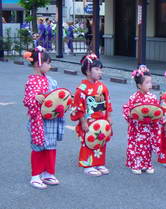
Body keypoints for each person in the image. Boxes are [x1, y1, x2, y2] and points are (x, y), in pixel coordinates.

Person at [23, 46, 65, 189]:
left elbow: (58, 97)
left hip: (52, 118)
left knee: (51, 146)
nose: (50, 65)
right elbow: (27, 100)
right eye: (48, 62)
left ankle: (48, 173)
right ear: (38, 63)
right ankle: (35, 175)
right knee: (39, 146)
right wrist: (35, 97)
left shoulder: (51, 80)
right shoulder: (31, 81)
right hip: (39, 120)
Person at [71, 53, 113, 176]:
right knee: (88, 141)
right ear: (88, 71)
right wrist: (83, 121)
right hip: (89, 119)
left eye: (101, 69)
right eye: (97, 69)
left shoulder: (102, 87)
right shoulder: (82, 88)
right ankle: (88, 165)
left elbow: (107, 102)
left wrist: (109, 117)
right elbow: (79, 106)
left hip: (101, 118)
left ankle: (99, 163)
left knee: (101, 140)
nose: (100, 72)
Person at [123, 65, 162, 175]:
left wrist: (158, 117)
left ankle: (147, 164)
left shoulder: (152, 97)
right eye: (147, 82)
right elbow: (127, 109)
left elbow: (157, 111)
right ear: (139, 85)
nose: (150, 85)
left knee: (147, 146)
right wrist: (131, 114)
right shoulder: (134, 97)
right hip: (137, 127)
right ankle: (136, 164)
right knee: (137, 145)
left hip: (149, 126)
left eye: (151, 82)